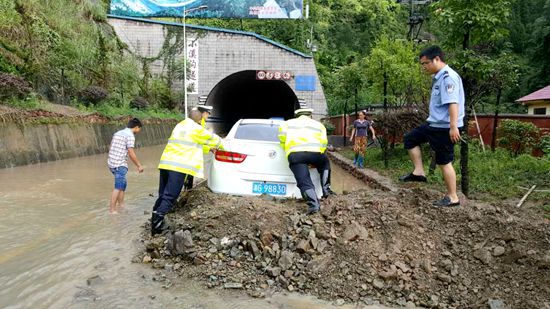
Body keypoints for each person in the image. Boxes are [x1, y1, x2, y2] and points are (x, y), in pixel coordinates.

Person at [400, 45, 465, 207]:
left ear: (437, 59)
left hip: (444, 128)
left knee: (444, 162)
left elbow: (453, 103)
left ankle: (453, 197)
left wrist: (453, 127)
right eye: (422, 64)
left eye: (426, 63)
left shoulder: (448, 77)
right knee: (410, 139)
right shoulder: (438, 77)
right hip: (433, 124)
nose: (423, 67)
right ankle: (419, 172)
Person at [151, 109, 223, 235]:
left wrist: (208, 148)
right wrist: (228, 145)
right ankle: (157, 227)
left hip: (165, 164)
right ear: (199, 119)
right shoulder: (196, 128)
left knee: (163, 194)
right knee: (170, 196)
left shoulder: (180, 125)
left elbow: (192, 143)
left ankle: (154, 219)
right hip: (178, 167)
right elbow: (214, 139)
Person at [278, 108, 336, 215]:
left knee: (304, 181)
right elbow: (324, 144)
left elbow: (282, 140)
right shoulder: (319, 125)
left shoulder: (286, 124)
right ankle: (326, 191)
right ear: (310, 115)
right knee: (325, 163)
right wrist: (316, 155)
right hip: (315, 154)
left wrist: (289, 151)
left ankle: (314, 205)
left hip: (296, 155)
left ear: (297, 116)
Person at [107, 118, 144, 214]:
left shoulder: (118, 133)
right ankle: (112, 210)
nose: (139, 131)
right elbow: (131, 152)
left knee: (123, 184)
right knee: (118, 187)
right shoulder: (130, 136)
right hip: (119, 164)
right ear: (136, 127)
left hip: (112, 163)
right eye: (139, 129)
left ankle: (121, 205)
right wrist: (139, 165)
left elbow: (110, 147)